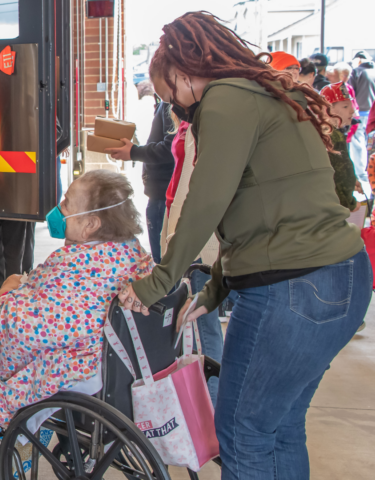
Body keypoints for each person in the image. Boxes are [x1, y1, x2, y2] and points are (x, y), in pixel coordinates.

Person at [118, 13, 370, 479]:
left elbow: (208, 199)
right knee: (281, 427)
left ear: (184, 69)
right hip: (343, 274)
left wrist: (158, 281)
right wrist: (215, 287)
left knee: (242, 432)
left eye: (170, 92)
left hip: (290, 288)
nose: (175, 106)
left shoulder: (224, 99)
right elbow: (266, 210)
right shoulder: (267, 91)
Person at [0, 170, 153, 478]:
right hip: (113, 369)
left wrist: (6, 295)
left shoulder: (76, 268)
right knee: (16, 361)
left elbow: (23, 329)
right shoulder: (130, 253)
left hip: (80, 377)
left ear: (91, 224)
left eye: (67, 204)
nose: (59, 209)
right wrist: (30, 286)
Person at [160, 107, 223, 406]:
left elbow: (201, 189)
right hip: (176, 217)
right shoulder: (185, 120)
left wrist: (188, 238)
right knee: (193, 321)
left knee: (204, 323)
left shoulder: (210, 119)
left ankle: (214, 404)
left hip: (198, 234)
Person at [106, 102, 175, 263]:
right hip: (161, 192)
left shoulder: (172, 106)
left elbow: (171, 148)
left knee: (163, 260)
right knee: (162, 258)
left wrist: (134, 152)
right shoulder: (167, 104)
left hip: (164, 194)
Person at [320, 82, 362, 211]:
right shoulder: (333, 136)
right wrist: (350, 203)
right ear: (328, 109)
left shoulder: (322, 131)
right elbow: (339, 177)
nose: (352, 110)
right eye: (345, 106)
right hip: (335, 211)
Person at [349, 51, 375, 198]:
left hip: (361, 112)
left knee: (358, 143)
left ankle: (361, 172)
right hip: (371, 112)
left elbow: (350, 93)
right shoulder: (373, 71)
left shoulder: (357, 72)